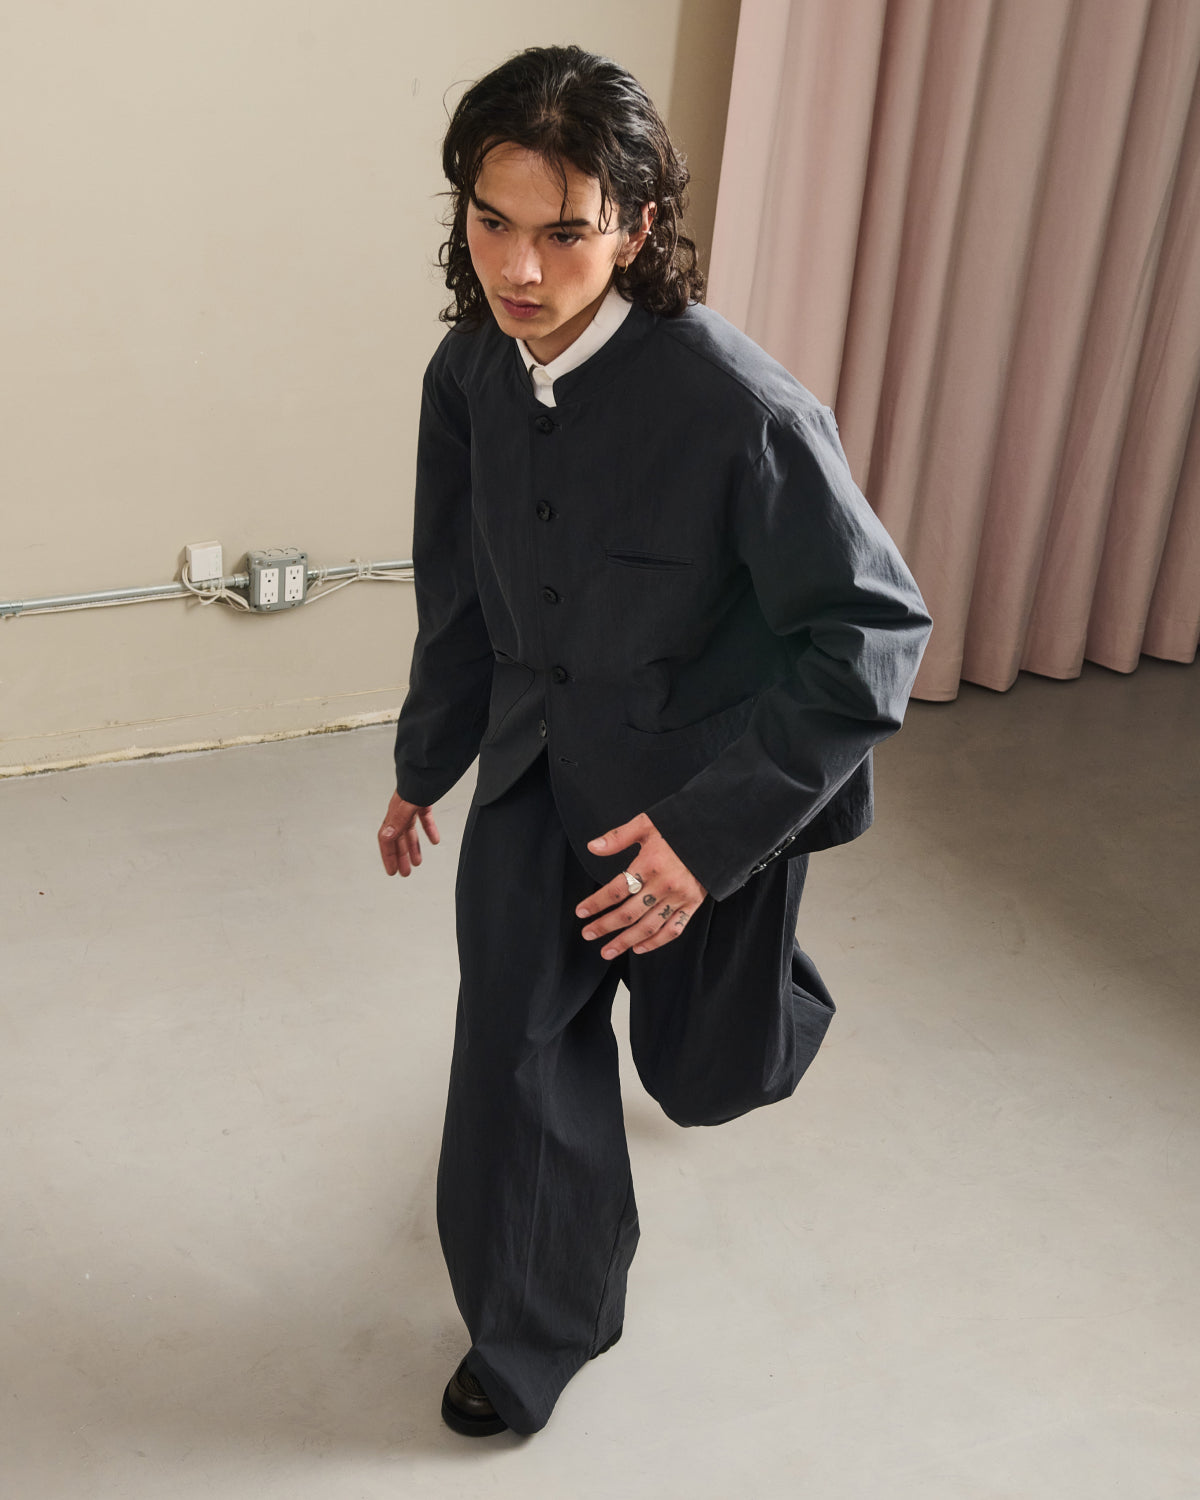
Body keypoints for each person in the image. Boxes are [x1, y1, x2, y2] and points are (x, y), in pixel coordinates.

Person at [377, 44, 931, 1438]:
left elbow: (872, 630)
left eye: (563, 230)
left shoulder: (741, 409)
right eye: (492, 220)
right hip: (535, 765)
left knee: (709, 1071)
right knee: (510, 1051)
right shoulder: (468, 378)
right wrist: (420, 765)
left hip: (701, 790)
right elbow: (461, 590)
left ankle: (770, 991)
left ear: (632, 226)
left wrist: (712, 840)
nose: (521, 264)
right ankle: (531, 1333)